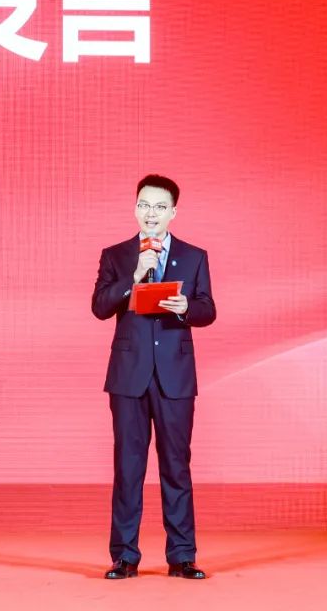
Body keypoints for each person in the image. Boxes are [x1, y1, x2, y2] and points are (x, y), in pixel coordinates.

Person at [91, 174, 216, 580]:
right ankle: (124, 556)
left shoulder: (194, 256)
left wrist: (185, 307)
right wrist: (132, 279)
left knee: (176, 466)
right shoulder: (117, 255)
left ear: (173, 212)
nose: (151, 213)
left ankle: (182, 556)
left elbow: (208, 309)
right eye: (144, 205)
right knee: (128, 468)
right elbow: (99, 307)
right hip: (129, 377)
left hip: (175, 377)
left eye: (160, 207)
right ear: (135, 208)